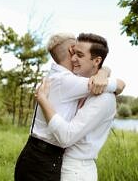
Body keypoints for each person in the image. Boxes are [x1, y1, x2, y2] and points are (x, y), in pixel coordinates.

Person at [14, 33, 124, 181]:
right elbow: (116, 84)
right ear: (70, 50)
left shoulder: (94, 92)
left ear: (96, 60)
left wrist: (104, 72)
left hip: (59, 162)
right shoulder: (66, 80)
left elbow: (111, 81)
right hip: (45, 158)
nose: (74, 58)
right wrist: (108, 78)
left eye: (79, 54)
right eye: (74, 52)